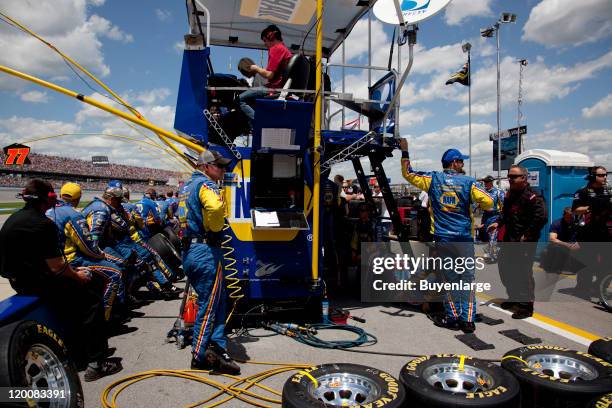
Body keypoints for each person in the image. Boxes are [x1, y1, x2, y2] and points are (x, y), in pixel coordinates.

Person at [0, 179, 121, 381]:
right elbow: (57, 266)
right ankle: (97, 363)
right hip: (42, 283)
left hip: (19, 281)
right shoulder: (43, 224)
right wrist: (77, 275)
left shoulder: (13, 219)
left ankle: (77, 351)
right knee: (92, 299)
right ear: (49, 198)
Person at [400, 139, 493, 333]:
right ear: (454, 163)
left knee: (450, 279)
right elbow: (490, 202)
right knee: (466, 279)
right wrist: (473, 204)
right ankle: (467, 320)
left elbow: (408, 174)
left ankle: (452, 317)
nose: (463, 165)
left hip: (443, 238)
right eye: (461, 161)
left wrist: (405, 152)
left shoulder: (433, 179)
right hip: (463, 239)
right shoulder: (469, 182)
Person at [179, 149, 240, 374]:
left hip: (190, 250)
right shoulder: (207, 185)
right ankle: (199, 354)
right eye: (219, 166)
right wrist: (216, 228)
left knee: (217, 300)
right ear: (205, 167)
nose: (224, 170)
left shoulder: (186, 187)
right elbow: (214, 208)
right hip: (205, 251)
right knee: (208, 304)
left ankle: (217, 345)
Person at [47, 182, 125, 321]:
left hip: (49, 261)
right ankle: (106, 319)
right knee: (115, 273)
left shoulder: (48, 211)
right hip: (71, 260)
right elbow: (87, 245)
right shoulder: (72, 215)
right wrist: (101, 255)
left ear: (60, 195)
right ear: (78, 198)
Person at [488, 165, 547, 319]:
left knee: (523, 273)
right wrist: (498, 223)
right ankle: (513, 298)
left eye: (514, 176)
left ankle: (526, 306)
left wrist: (527, 235)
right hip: (509, 240)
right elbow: (505, 214)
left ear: (524, 178)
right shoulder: (510, 194)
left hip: (524, 243)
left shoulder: (534, 196)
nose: (510, 179)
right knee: (506, 271)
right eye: (509, 176)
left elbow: (541, 218)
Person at [238, 25, 292, 123]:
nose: (265, 44)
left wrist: (256, 68)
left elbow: (269, 75)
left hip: (274, 88)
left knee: (240, 99)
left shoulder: (276, 49)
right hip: (280, 87)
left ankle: (260, 121)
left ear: (271, 37)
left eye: (265, 40)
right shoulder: (284, 49)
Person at [571, 166, 611, 296]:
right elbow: (575, 209)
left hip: (604, 232)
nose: (605, 177)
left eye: (605, 175)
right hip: (588, 232)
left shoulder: (607, 191)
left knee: (607, 262)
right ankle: (582, 287)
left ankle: (600, 286)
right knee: (588, 262)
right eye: (601, 175)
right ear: (593, 177)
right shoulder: (582, 192)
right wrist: (592, 207)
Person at [478, 175, 504, 261]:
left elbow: (504, 205)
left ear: (491, 182)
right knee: (485, 236)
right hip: (485, 216)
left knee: (492, 235)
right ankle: (490, 251)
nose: (485, 184)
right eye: (484, 182)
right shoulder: (482, 192)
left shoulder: (498, 192)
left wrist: (502, 217)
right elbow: (476, 204)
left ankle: (491, 255)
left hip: (495, 215)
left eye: (487, 182)